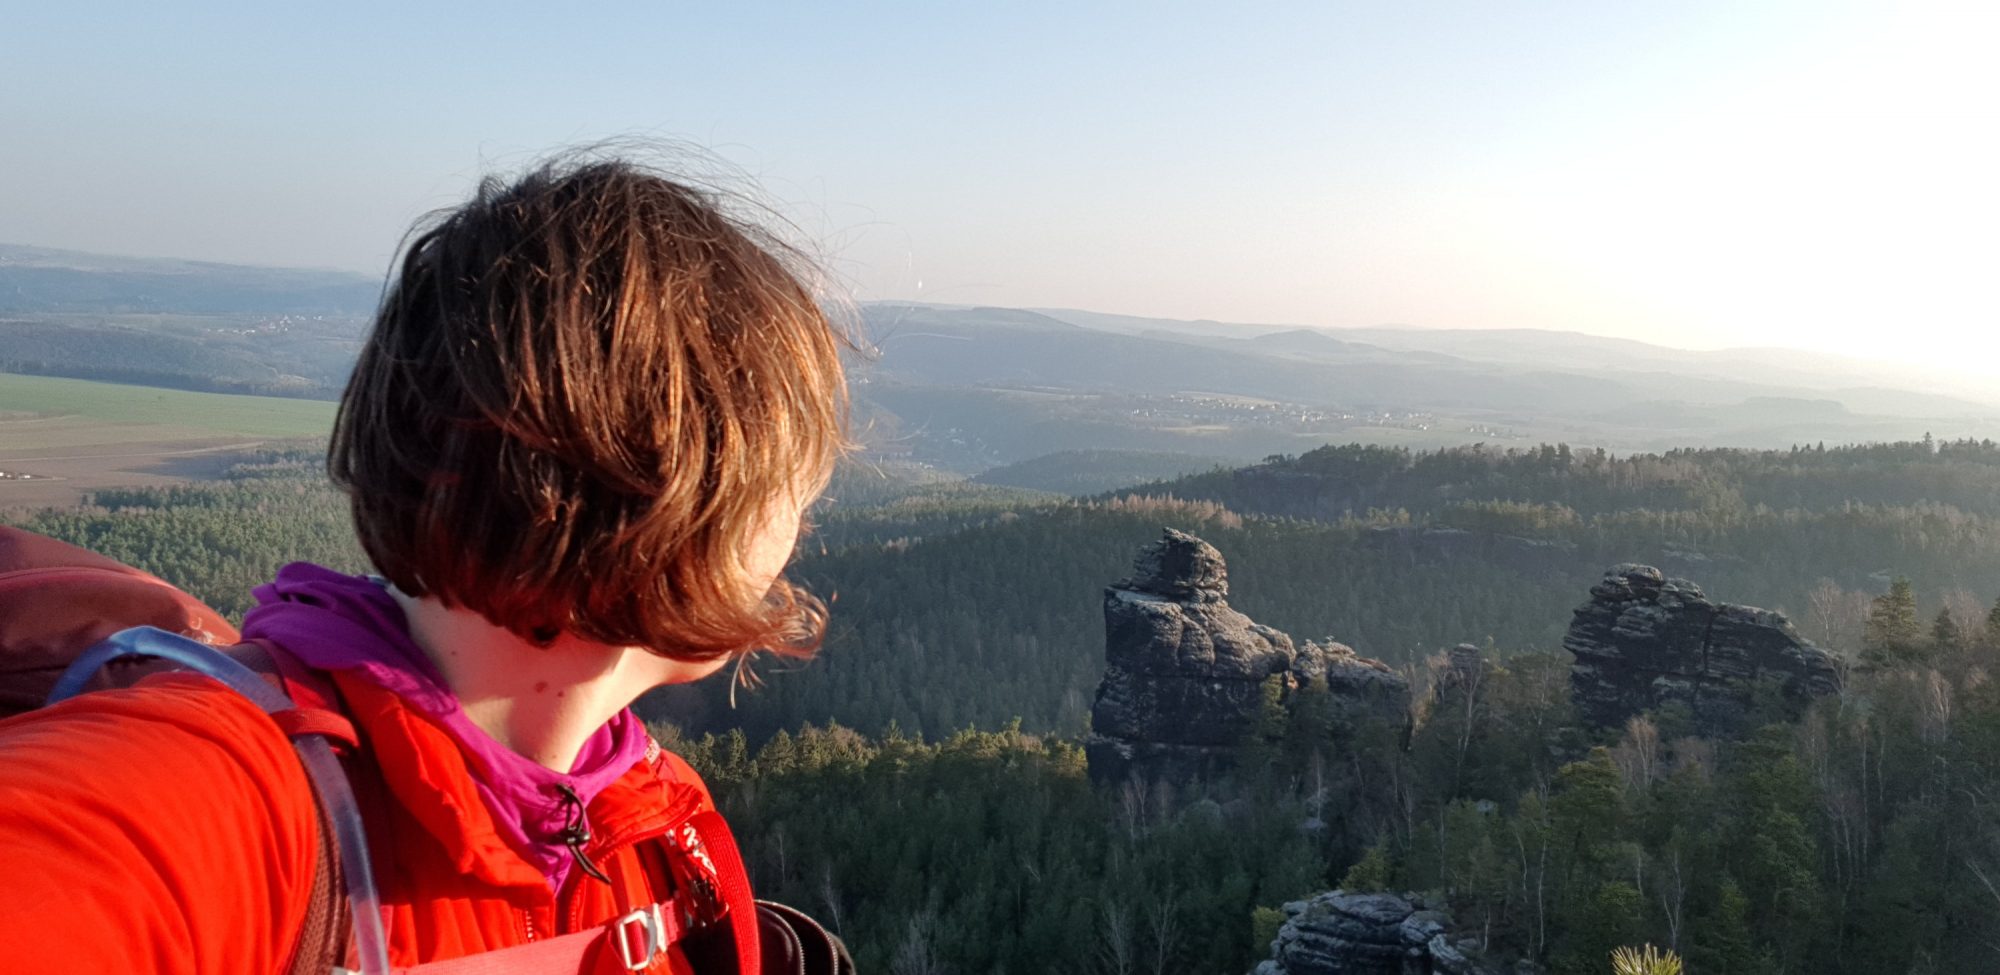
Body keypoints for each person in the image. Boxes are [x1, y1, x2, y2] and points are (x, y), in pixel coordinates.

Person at [0, 155, 850, 974]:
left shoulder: (658, 826)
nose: (803, 524)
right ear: (661, 501)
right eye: (791, 482)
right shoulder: (208, 805)